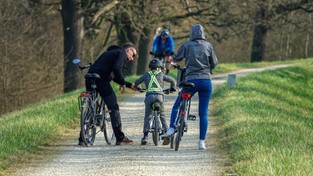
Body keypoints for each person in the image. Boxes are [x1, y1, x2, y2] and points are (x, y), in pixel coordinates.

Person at [162, 24, 218, 150]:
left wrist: (171, 61)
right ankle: (201, 142)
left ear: (191, 33)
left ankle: (171, 128)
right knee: (203, 113)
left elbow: (176, 58)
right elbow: (214, 63)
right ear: (203, 33)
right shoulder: (208, 46)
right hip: (205, 81)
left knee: (177, 105)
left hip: (191, 81)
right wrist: (208, 68)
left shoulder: (187, 45)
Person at [78, 42, 138, 146]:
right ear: (128, 50)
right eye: (132, 55)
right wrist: (123, 82)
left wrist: (126, 84)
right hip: (101, 81)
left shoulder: (109, 53)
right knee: (113, 106)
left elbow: (113, 74)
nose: (132, 58)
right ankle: (120, 137)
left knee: (90, 108)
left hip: (89, 77)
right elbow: (117, 69)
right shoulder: (121, 53)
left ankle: (82, 138)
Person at [134, 59, 176, 145]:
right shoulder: (161, 74)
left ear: (150, 68)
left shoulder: (146, 74)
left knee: (148, 116)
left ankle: (145, 137)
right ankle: (167, 133)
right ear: (159, 68)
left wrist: (139, 88)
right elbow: (172, 81)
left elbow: (136, 82)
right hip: (160, 97)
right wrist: (172, 88)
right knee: (162, 115)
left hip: (149, 96)